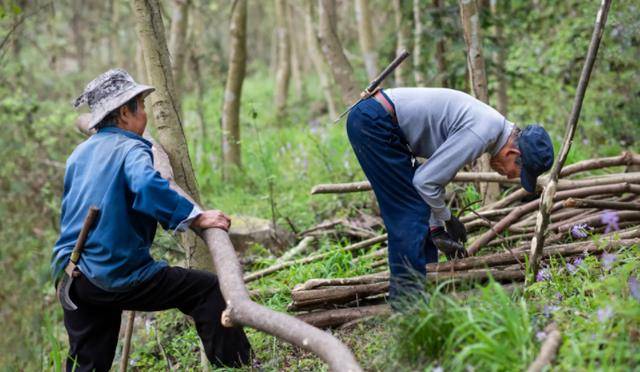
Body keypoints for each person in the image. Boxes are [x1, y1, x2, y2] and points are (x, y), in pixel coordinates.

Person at [51, 69, 251, 371]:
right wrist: (194, 217)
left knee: (88, 364)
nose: (144, 114)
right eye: (141, 106)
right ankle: (238, 368)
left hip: (72, 275)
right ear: (124, 113)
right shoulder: (132, 147)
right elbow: (146, 184)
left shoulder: (79, 154)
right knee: (207, 290)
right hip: (113, 272)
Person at [346, 87, 554, 305]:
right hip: (375, 122)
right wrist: (447, 218)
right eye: (518, 172)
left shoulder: (489, 127)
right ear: (513, 154)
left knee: (417, 210)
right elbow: (425, 181)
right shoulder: (482, 131)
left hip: (379, 122)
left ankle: (425, 297)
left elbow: (427, 184)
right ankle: (408, 308)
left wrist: (437, 230)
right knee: (409, 213)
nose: (511, 177)